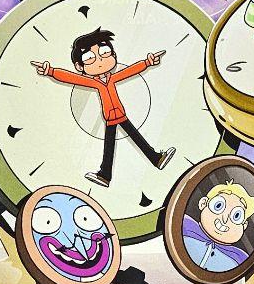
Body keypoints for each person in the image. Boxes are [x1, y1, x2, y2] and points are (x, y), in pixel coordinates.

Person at [31, 27, 174, 187]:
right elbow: (70, 78)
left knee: (134, 138)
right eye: (89, 58)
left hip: (120, 113)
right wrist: (50, 71)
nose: (99, 61)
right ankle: (107, 174)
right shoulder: (92, 82)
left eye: (105, 53)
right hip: (110, 116)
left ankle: (154, 160)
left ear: (113, 55)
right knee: (111, 144)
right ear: (79, 66)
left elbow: (130, 71)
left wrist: (147, 63)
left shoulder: (112, 77)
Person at [181, 180, 254, 272]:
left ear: (244, 226)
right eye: (218, 206)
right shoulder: (184, 226)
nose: (224, 219)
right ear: (203, 203)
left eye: (236, 216)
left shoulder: (239, 259)